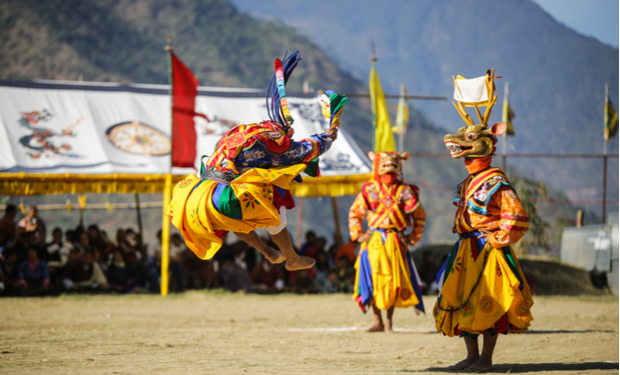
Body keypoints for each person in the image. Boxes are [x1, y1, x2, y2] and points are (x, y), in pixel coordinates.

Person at [168, 50, 348, 273]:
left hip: (200, 196)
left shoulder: (238, 133)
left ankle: (268, 252)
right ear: (282, 129)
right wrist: (329, 136)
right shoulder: (272, 139)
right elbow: (301, 151)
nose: (290, 136)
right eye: (289, 133)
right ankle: (292, 258)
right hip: (225, 196)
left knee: (235, 215)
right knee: (272, 200)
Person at [435, 71, 533, 372]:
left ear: (486, 144)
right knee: (462, 298)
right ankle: (471, 356)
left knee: (487, 300)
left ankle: (487, 358)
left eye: (467, 139)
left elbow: (516, 214)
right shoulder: (468, 182)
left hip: (488, 251)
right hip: (465, 250)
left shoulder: (496, 180)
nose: (455, 143)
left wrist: (498, 238)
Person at [349, 151, 426, 333]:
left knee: (393, 280)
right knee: (373, 278)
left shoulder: (406, 191)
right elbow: (355, 213)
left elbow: (419, 216)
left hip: (395, 240)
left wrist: (413, 237)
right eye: (384, 163)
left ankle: (389, 321)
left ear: (399, 166)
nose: (389, 167)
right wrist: (359, 234)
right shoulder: (370, 190)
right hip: (374, 239)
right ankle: (378, 321)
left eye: (393, 163)